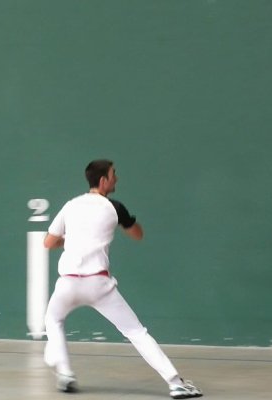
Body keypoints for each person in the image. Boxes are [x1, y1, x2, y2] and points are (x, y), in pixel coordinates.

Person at [43, 159, 203, 399]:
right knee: (136, 332)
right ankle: (176, 384)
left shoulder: (70, 206)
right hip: (98, 285)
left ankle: (65, 374)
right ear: (103, 180)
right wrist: (127, 222)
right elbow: (138, 235)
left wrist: (74, 239)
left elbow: (49, 243)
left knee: (53, 320)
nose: (116, 178)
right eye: (113, 174)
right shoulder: (114, 207)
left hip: (68, 283)